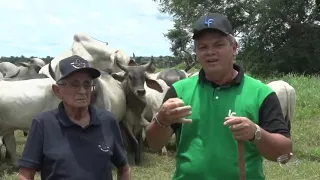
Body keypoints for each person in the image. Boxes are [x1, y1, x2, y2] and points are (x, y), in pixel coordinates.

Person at [145, 12, 293, 180]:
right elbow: (154, 143)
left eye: (218, 45)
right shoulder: (179, 92)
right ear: (196, 53)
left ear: (234, 48)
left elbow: (285, 154)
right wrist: (161, 120)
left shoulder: (261, 93)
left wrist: (256, 133)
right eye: (203, 47)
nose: (210, 52)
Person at [18, 55, 131, 180]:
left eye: (87, 85)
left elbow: (124, 168)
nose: (82, 91)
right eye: (75, 85)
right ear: (57, 90)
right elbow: (25, 175)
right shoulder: (43, 124)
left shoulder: (108, 121)